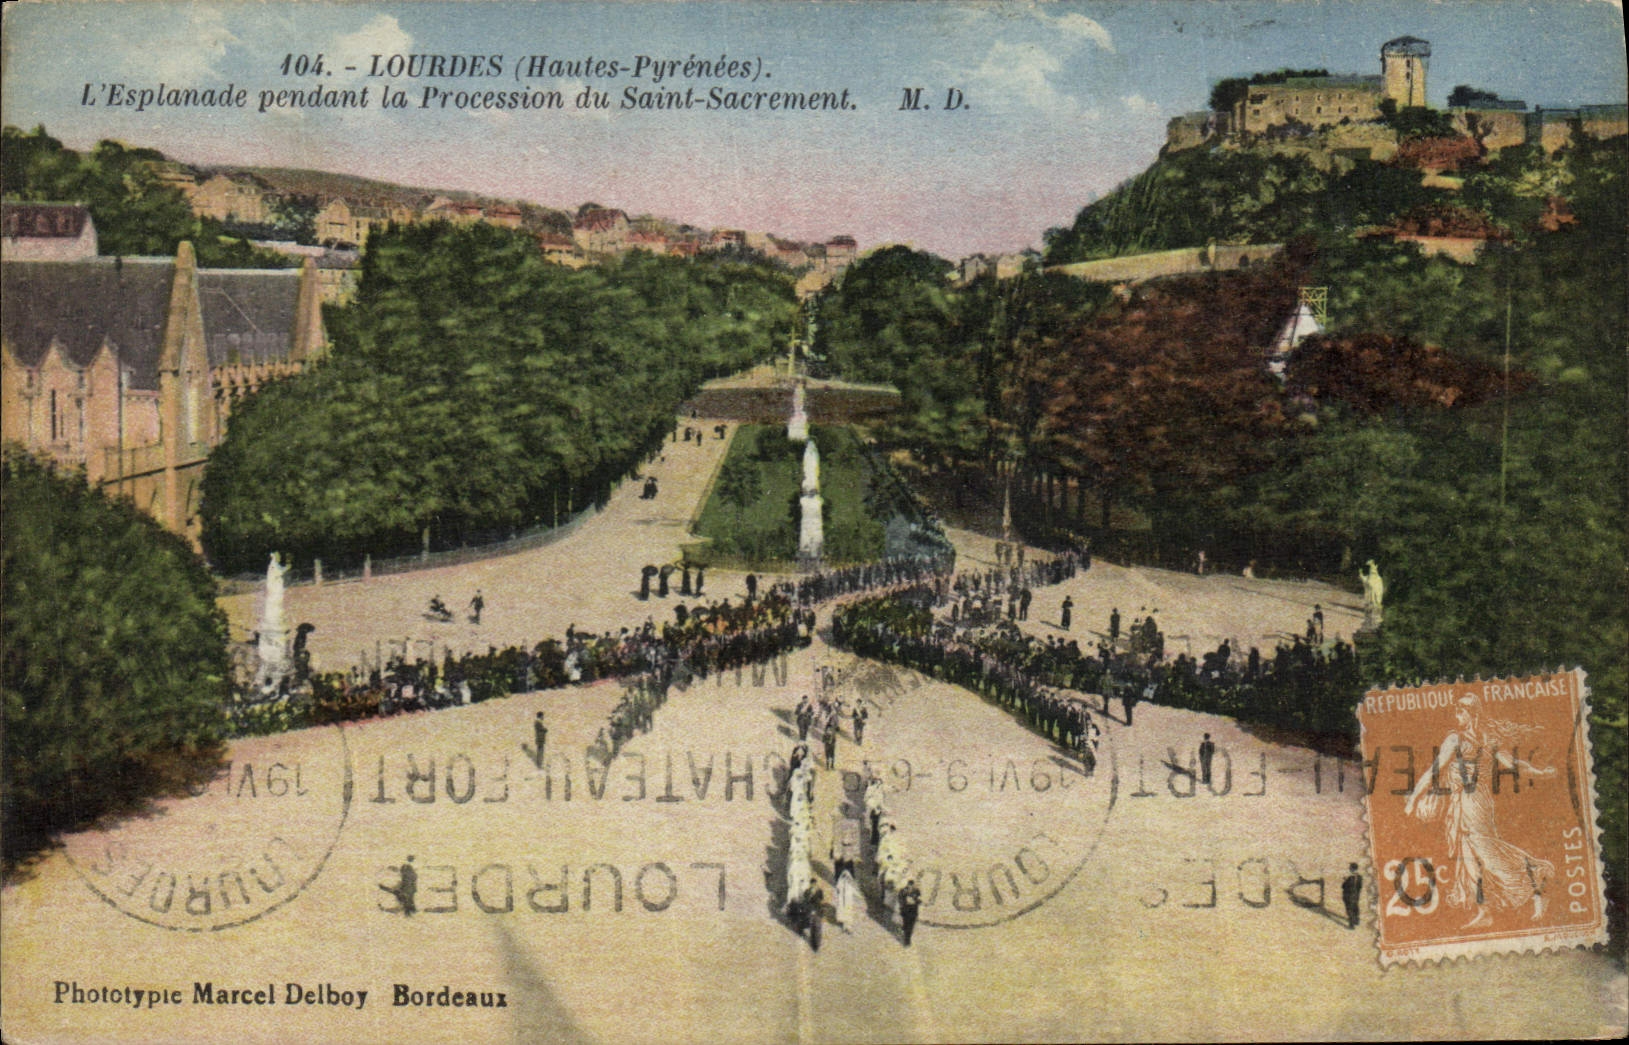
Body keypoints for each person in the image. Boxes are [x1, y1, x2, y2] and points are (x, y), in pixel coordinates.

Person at [1404, 694, 1556, 928]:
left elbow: (1513, 764)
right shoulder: (1477, 739)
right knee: (1469, 858)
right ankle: (1484, 910)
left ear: (1472, 714)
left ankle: (1537, 879)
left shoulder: (1463, 740)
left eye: (1461, 712)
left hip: (1474, 802)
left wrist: (1413, 799)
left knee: (1486, 851)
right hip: (1466, 802)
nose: (1457, 716)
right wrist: (1540, 773)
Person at [898, 878, 922, 946]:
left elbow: (919, 900)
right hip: (906, 910)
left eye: (912, 885)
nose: (910, 886)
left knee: (911, 926)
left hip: (913, 910)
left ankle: (907, 940)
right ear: (907, 885)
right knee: (906, 924)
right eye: (909, 885)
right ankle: (906, 937)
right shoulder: (903, 891)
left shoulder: (917, 891)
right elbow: (900, 899)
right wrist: (903, 904)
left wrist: (916, 900)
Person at [1342, 863, 1363, 929]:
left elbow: (1343, 886)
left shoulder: (1350, 878)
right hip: (1356, 895)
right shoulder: (1360, 877)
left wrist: (1345, 880)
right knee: (1355, 908)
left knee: (1349, 910)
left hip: (1348, 896)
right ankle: (1356, 920)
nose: (1349, 868)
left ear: (1352, 869)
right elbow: (1360, 887)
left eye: (1350, 867)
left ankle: (1351, 924)